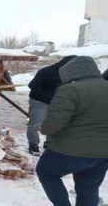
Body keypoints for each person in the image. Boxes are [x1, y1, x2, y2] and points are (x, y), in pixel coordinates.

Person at [36, 56, 108, 206]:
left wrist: (43, 128)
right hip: (103, 154)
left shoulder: (69, 90)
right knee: (89, 187)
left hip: (69, 152)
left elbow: (51, 126)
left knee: (46, 172)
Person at [26, 55, 76, 156]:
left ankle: (48, 143)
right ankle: (33, 145)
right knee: (35, 124)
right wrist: (47, 97)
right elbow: (32, 85)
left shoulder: (68, 75)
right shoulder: (46, 71)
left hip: (56, 103)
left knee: (53, 124)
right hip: (39, 101)